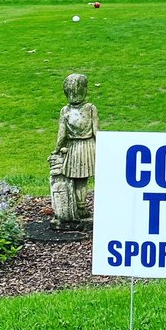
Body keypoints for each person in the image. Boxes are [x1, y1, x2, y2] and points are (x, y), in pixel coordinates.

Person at [55, 72, 99, 220]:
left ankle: (72, 205)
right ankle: (81, 206)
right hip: (87, 146)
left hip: (73, 147)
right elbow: (96, 131)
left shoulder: (65, 110)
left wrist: (57, 149)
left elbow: (62, 134)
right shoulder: (90, 108)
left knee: (73, 178)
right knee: (82, 179)